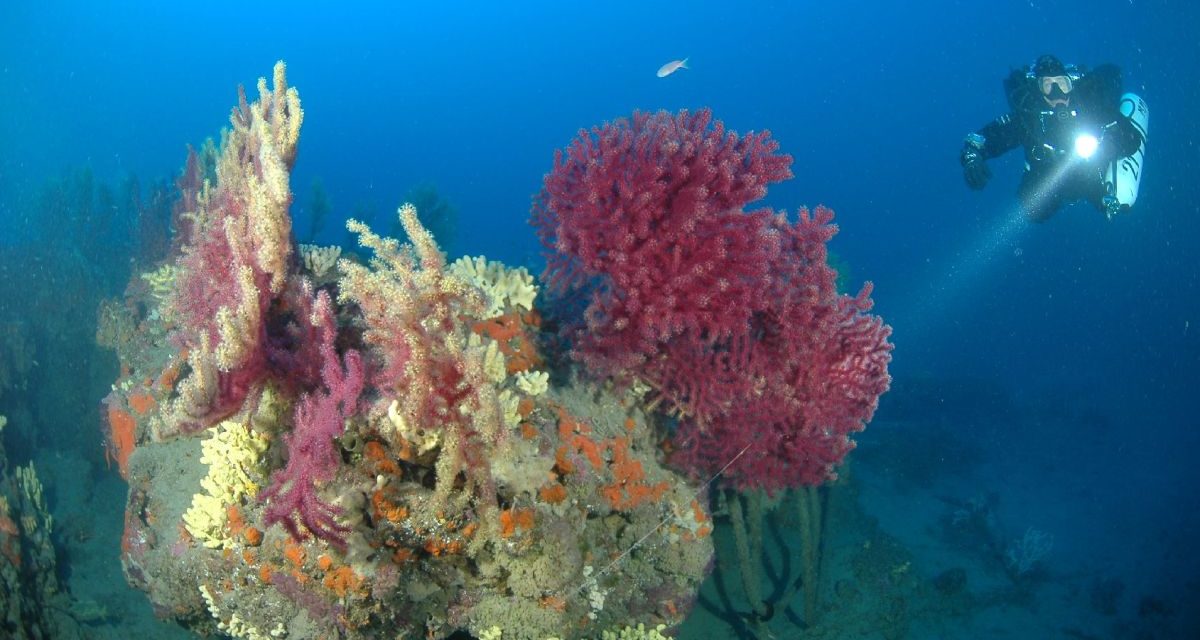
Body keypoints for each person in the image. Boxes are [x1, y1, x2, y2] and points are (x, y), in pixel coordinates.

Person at [960, 54, 1147, 221]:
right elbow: (981, 140)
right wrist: (972, 158)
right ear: (1038, 89)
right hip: (1049, 174)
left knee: (1108, 206)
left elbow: (1132, 139)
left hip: (1091, 168)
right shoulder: (1028, 117)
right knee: (1034, 211)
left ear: (1070, 84)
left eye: (1062, 84)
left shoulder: (1089, 104)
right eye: (1048, 85)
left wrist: (1110, 143)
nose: (1057, 92)